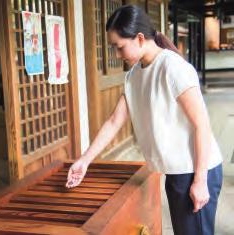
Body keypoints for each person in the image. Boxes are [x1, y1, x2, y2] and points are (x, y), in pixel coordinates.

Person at [65, 5, 223, 235]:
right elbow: (113, 122)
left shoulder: (172, 68)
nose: (118, 55)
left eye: (119, 47)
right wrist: (85, 160)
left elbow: (202, 125)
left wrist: (200, 181)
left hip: (197, 168)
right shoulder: (134, 75)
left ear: (139, 38)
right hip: (177, 171)